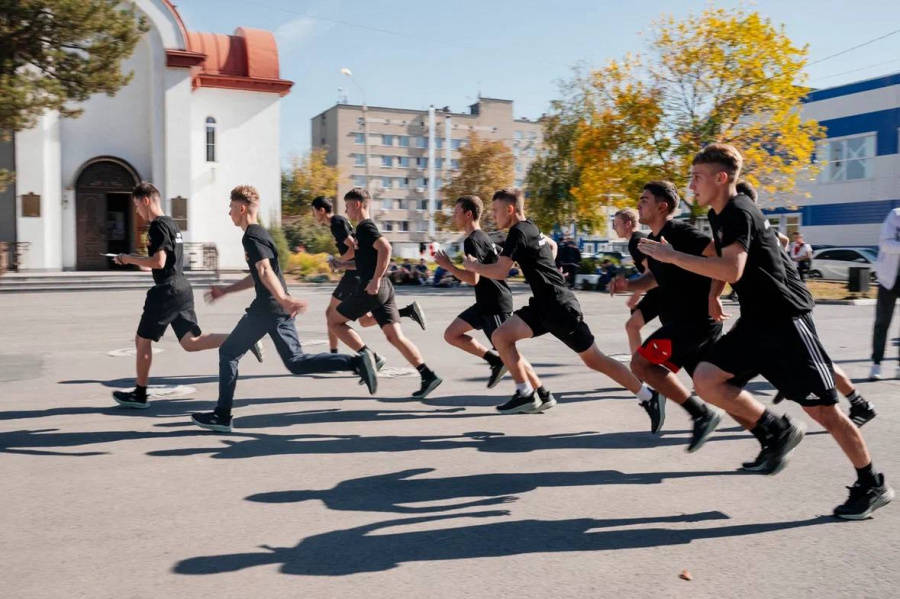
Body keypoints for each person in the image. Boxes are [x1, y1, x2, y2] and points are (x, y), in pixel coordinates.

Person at [640, 143, 892, 519]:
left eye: (697, 178)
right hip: (756, 322)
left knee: (824, 411)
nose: (691, 186)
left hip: (786, 321)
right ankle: (776, 430)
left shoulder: (739, 211)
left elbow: (731, 269)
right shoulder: (720, 214)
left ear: (721, 178)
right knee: (707, 379)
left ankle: (871, 483)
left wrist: (672, 256)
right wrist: (713, 295)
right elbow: (728, 269)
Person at [190, 185, 378, 433]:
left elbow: (265, 271)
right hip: (275, 307)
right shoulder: (259, 234)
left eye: (231, 208)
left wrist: (282, 300)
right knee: (296, 362)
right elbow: (257, 276)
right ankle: (356, 362)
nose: (229, 213)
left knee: (228, 353)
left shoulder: (252, 235)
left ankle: (222, 415)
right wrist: (226, 290)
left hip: (267, 309)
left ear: (242, 208)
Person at [464, 188, 662, 421]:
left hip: (559, 306)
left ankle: (648, 396)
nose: (494, 216)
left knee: (594, 360)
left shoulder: (518, 231)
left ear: (510, 209)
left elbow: (500, 271)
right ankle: (527, 393)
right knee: (501, 336)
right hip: (542, 304)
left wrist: (474, 266)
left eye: (496, 211)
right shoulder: (531, 227)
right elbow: (551, 246)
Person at [111, 182, 263, 409]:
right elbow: (164, 262)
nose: (136, 211)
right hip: (182, 287)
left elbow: (159, 262)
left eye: (136, 205)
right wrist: (141, 261)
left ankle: (140, 394)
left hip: (166, 291)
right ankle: (246, 338)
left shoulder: (156, 226)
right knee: (191, 343)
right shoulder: (172, 224)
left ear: (146, 200)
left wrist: (129, 258)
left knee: (142, 340)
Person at [736, 185, 875, 425]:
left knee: (816, 361)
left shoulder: (745, 221)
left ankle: (859, 403)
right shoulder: (760, 223)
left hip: (789, 301)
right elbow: (784, 239)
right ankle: (855, 402)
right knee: (808, 359)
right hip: (782, 301)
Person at [611, 181, 725, 451]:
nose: (639, 204)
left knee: (640, 364)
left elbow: (720, 255)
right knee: (713, 387)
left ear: (662, 207)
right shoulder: (653, 241)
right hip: (682, 322)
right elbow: (653, 279)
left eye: (645, 199)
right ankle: (773, 428)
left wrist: (714, 296)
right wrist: (630, 285)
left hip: (694, 322)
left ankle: (702, 415)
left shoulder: (679, 231)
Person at [327, 188, 442, 399]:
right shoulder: (362, 231)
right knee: (394, 336)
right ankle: (428, 375)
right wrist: (341, 264)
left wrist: (375, 280)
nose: (346, 210)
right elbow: (363, 263)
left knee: (334, 322)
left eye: (348, 206)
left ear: (359, 205)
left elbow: (386, 248)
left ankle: (368, 356)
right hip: (384, 288)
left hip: (373, 288)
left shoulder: (365, 228)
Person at [435, 195, 552, 401]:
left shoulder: (473, 240)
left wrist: (449, 267)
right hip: (484, 303)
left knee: (510, 352)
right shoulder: (482, 237)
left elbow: (473, 278)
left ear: (468, 214)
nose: (453, 216)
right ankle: (493, 360)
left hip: (495, 304)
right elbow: (501, 260)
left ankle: (541, 392)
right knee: (451, 334)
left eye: (456, 212)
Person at [311, 196, 425, 358]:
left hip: (354, 275)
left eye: (313, 211)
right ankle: (407, 312)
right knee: (365, 321)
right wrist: (341, 263)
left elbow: (352, 248)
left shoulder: (336, 222)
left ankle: (336, 355)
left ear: (321, 210)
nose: (313, 215)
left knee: (331, 315)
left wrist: (338, 261)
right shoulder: (337, 223)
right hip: (357, 272)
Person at [614, 208, 661, 355]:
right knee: (632, 326)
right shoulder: (636, 240)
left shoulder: (635, 241)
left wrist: (635, 295)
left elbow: (650, 270)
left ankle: (638, 369)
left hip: (662, 290)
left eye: (616, 223)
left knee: (632, 326)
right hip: (658, 289)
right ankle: (638, 368)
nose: (614, 228)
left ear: (628, 224)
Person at [869, 206, 900, 381]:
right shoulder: (896, 215)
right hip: (889, 278)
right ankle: (876, 364)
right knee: (882, 322)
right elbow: (885, 243)